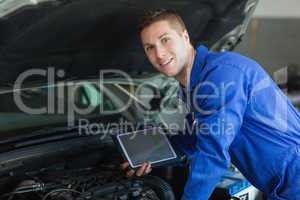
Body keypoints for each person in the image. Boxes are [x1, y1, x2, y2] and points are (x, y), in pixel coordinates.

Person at [121, 9, 300, 200]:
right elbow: (195, 137)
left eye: (165, 39)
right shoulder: (194, 83)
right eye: (150, 47)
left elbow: (212, 154)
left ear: (185, 36)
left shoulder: (220, 75)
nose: (159, 53)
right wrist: (152, 155)